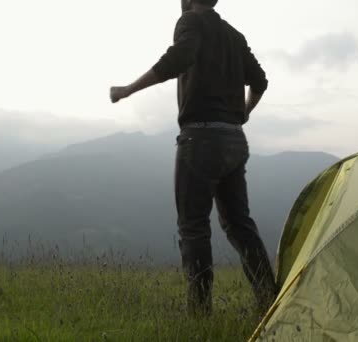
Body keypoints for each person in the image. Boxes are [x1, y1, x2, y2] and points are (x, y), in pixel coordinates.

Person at [109, 0, 278, 315]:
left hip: (200, 139)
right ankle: (269, 300)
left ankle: (200, 314)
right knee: (240, 224)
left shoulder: (190, 22)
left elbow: (180, 58)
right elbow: (260, 82)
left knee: (194, 227)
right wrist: (244, 112)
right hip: (233, 140)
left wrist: (128, 90)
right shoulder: (234, 36)